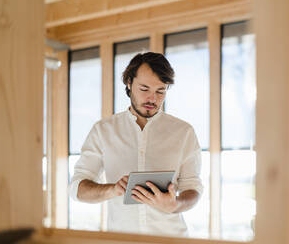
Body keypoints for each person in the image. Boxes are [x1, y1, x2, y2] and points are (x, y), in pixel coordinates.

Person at [69, 52, 203, 236]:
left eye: (160, 91)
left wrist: (175, 204)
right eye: (144, 89)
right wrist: (112, 190)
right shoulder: (103, 130)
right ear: (129, 83)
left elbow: (193, 189)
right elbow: (77, 189)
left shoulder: (184, 132)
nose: (152, 99)